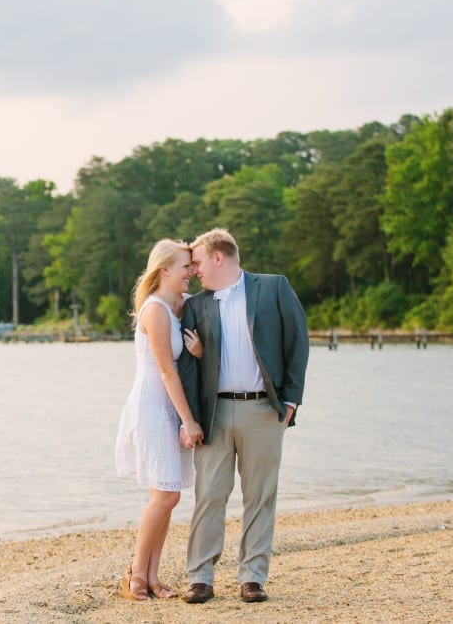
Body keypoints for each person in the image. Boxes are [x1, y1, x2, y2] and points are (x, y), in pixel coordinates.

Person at [177, 228, 309, 605]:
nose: (195, 270)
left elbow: (298, 343)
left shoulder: (274, 288)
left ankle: (252, 578)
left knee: (260, 496)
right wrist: (190, 419)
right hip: (214, 412)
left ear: (218, 257)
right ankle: (200, 577)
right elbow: (187, 367)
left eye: (198, 262)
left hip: (264, 411)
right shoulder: (195, 306)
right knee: (209, 496)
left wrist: (292, 401)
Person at [114, 239, 205, 601]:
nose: (192, 272)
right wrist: (190, 422)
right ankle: (136, 573)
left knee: (167, 495)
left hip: (172, 405)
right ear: (164, 269)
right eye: (186, 267)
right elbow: (167, 373)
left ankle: (153, 576)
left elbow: (184, 366)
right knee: (165, 495)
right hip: (154, 407)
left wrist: (198, 352)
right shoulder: (154, 310)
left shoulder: (180, 306)